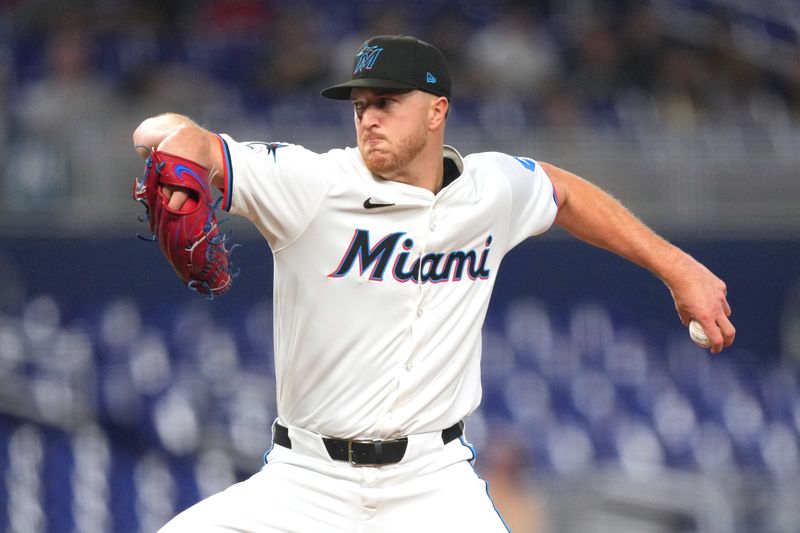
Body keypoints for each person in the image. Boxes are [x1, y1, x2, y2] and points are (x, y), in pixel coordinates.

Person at [132, 35, 735, 532]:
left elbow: (565, 191)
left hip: (432, 484)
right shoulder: (312, 185)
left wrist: (680, 269)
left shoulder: (490, 191)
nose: (368, 118)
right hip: (305, 482)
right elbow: (191, 145)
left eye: (386, 102)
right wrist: (176, 144)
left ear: (437, 109)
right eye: (360, 105)